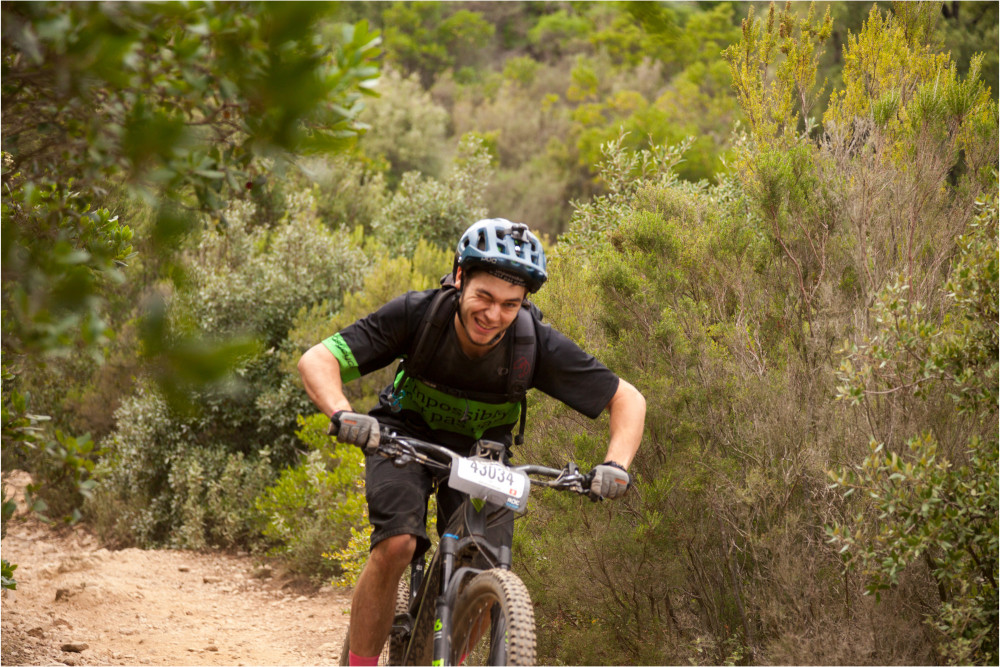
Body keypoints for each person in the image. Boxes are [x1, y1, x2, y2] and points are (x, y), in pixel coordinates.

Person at [298, 218, 646, 666]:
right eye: (484, 296)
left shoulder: (533, 342)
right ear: (460, 277)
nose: (494, 314)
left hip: (484, 454)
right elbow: (320, 359)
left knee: (487, 565)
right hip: (403, 437)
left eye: (510, 304)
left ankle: (446, 658)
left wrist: (615, 465)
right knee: (398, 545)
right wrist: (343, 413)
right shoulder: (419, 314)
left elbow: (627, 399)